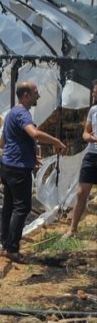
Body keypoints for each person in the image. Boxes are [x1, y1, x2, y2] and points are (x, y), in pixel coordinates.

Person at [0, 81, 67, 262]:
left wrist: (29, 156)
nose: (39, 96)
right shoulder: (22, 114)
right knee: (22, 207)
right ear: (26, 95)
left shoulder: (12, 113)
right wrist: (56, 142)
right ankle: (12, 249)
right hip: (18, 170)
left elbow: (3, 143)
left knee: (9, 206)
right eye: (36, 93)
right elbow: (34, 134)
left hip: (7, 166)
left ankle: (5, 244)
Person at [67, 80, 97, 236]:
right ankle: (72, 229)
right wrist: (89, 137)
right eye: (93, 90)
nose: (93, 93)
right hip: (92, 154)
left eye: (95, 90)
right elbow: (86, 132)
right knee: (81, 192)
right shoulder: (93, 110)